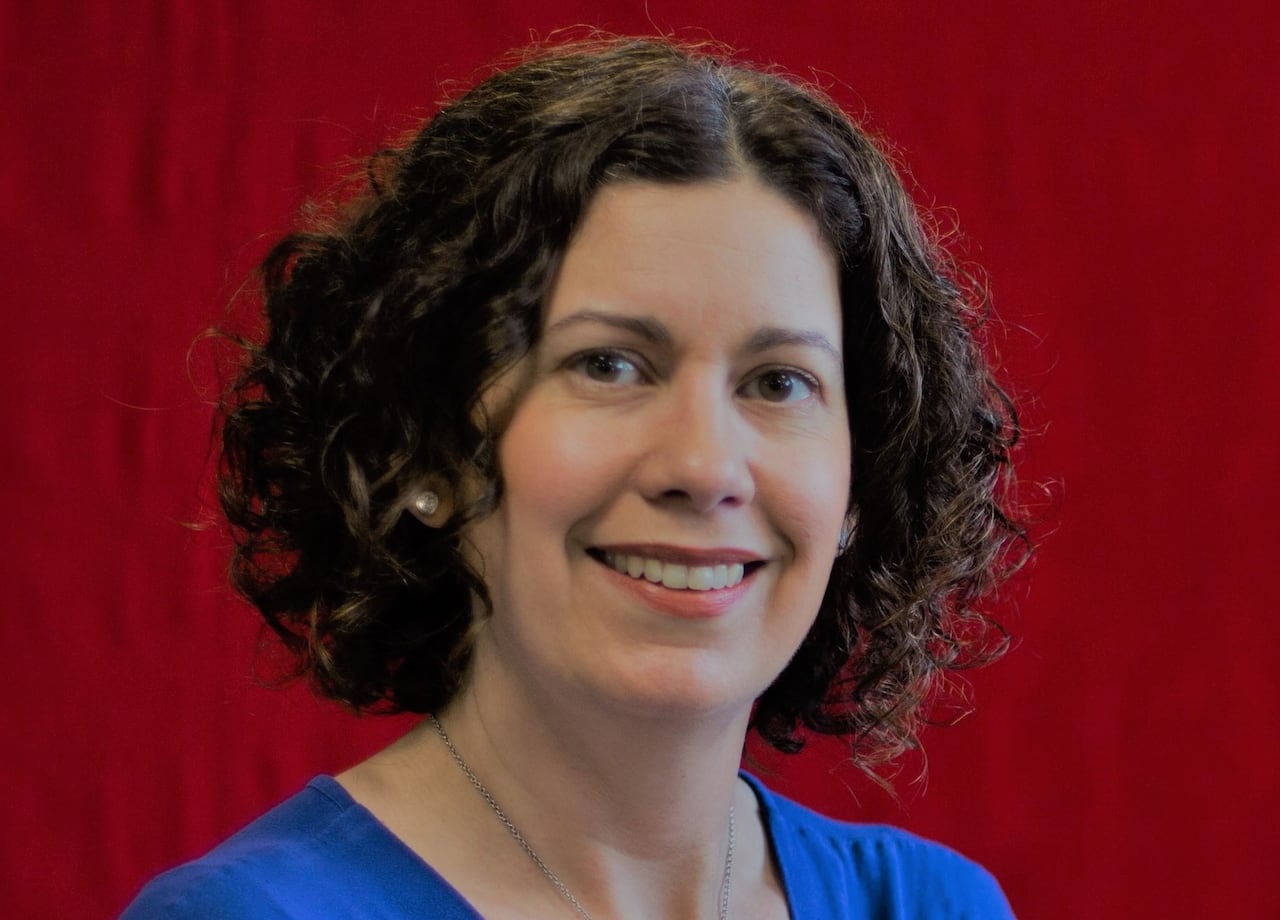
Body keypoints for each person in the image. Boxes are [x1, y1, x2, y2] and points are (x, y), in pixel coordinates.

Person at [123, 37, 1026, 919]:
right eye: (609, 365)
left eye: (779, 382)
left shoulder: (931, 906)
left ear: (859, 487)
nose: (704, 467)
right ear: (426, 447)